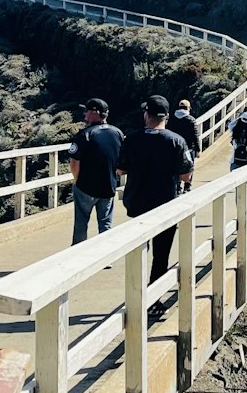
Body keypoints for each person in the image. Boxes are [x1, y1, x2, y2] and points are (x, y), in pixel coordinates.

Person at [119, 94, 194, 280]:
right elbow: (186, 175)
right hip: (166, 203)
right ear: (167, 117)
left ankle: (136, 293)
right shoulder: (177, 141)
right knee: (161, 254)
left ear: (146, 115)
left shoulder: (131, 140)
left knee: (138, 252)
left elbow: (120, 170)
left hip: (137, 203)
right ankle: (155, 298)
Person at [69, 98, 125, 245]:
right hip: (108, 186)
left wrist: (77, 181)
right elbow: (122, 160)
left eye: (87, 111)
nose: (85, 114)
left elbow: (74, 162)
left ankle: (78, 254)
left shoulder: (84, 135)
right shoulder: (118, 133)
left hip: (86, 187)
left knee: (81, 223)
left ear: (94, 112)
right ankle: (106, 255)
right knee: (105, 223)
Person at [169, 98, 201, 185]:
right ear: (188, 108)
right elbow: (195, 136)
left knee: (176, 166)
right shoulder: (191, 120)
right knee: (189, 166)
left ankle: (178, 186)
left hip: (175, 147)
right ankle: (187, 186)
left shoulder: (172, 119)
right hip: (189, 148)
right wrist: (198, 149)